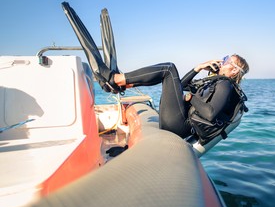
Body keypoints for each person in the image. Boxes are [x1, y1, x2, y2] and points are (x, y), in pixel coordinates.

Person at [101, 54, 249, 141]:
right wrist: (197, 68)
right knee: (168, 72)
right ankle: (122, 84)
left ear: (235, 71)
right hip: (179, 121)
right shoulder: (216, 82)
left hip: (181, 126)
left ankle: (117, 79)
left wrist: (191, 98)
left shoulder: (226, 86)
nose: (222, 62)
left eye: (227, 60)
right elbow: (180, 85)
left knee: (168, 68)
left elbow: (210, 114)